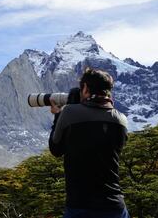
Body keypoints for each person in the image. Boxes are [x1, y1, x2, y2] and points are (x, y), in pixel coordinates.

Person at [49, 68, 130, 218]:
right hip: (114, 206)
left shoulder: (69, 113)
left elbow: (55, 149)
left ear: (85, 87)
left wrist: (58, 116)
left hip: (80, 206)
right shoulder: (121, 119)